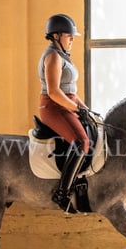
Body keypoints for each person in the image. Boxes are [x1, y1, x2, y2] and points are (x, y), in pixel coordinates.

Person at [38, 13, 90, 211]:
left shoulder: (61, 56)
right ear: (56, 36)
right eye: (69, 36)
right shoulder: (52, 56)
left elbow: (71, 91)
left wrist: (85, 109)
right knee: (81, 141)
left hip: (67, 104)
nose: (72, 41)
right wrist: (76, 108)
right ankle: (62, 193)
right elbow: (54, 92)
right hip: (54, 107)